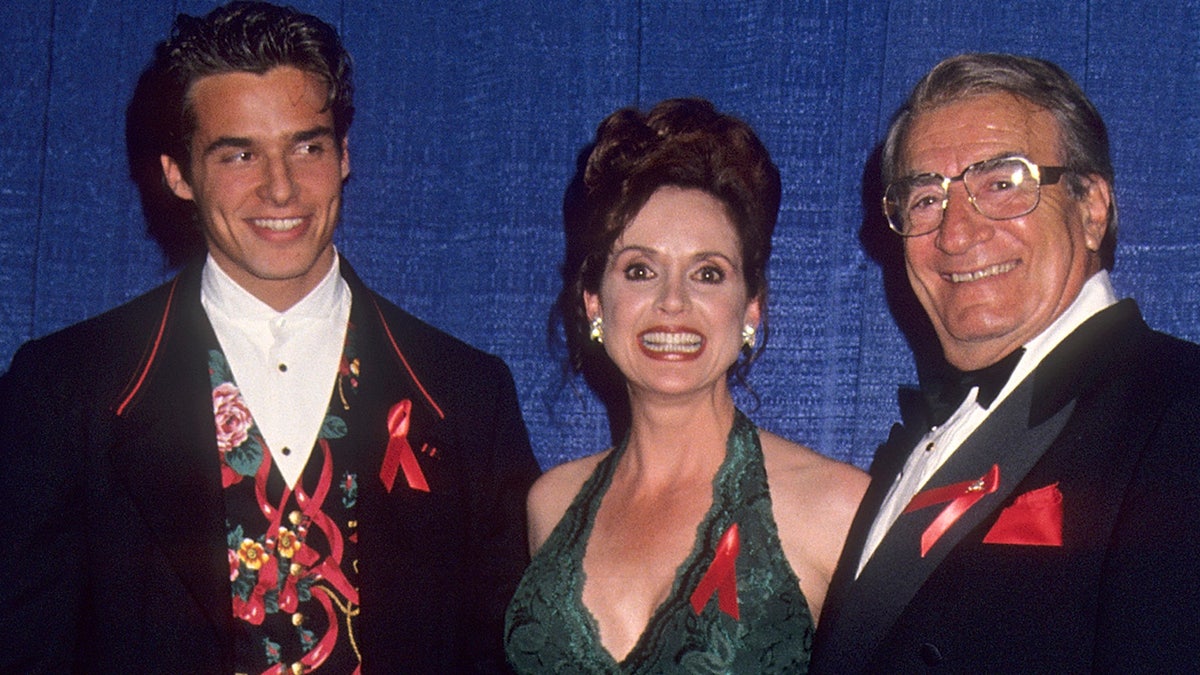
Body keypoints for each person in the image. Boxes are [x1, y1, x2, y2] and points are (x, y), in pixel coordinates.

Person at [0, 2, 540, 672]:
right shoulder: (65, 388)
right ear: (177, 173)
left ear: (344, 156)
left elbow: (508, 654)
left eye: (306, 146)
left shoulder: (466, 395)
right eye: (240, 154)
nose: (280, 188)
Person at [811, 53, 1200, 672]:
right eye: (924, 199)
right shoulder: (917, 444)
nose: (956, 233)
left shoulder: (1180, 411)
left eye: (1000, 183)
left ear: (1092, 208)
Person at [504, 98, 868, 673]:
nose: (672, 303)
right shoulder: (550, 504)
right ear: (594, 301)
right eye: (640, 270)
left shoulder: (837, 508)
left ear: (751, 308)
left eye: (708, 273)